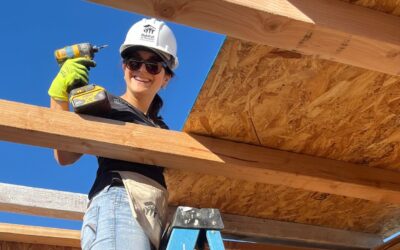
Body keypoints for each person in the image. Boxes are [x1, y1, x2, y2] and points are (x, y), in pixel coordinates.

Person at [48, 18, 179, 250]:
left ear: (166, 77)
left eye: (153, 65)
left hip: (151, 215)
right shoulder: (105, 104)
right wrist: (59, 97)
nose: (141, 70)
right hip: (121, 204)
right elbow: (65, 156)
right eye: (133, 62)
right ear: (124, 67)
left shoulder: (161, 128)